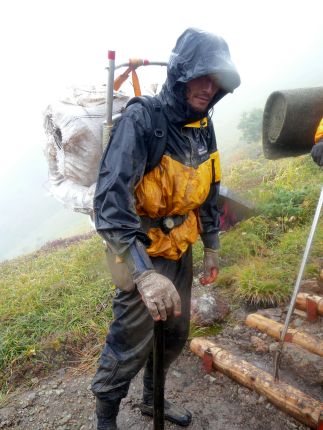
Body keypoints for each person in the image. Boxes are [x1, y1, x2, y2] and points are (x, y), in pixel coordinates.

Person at [91, 27, 240, 430]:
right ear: (180, 73)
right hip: (140, 251)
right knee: (128, 342)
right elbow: (109, 202)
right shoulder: (144, 120)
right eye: (201, 76)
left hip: (181, 250)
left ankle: (151, 400)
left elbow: (210, 190)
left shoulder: (203, 126)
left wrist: (211, 246)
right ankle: (105, 418)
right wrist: (144, 275)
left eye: (217, 81)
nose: (208, 88)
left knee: (174, 333)